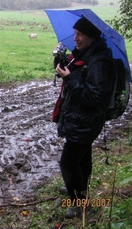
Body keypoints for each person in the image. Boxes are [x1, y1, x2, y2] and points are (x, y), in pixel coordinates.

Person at [54, 16, 115, 219]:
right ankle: (80, 189)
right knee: (82, 158)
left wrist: (69, 78)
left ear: (90, 36)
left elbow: (95, 97)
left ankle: (81, 204)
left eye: (80, 34)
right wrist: (63, 66)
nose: (76, 38)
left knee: (68, 163)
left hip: (86, 121)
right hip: (80, 119)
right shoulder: (85, 54)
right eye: (75, 33)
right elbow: (78, 75)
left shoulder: (100, 62)